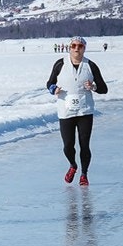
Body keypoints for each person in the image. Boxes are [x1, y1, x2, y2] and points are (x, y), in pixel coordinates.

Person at [46, 36, 108, 186]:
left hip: (84, 112)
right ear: (69, 48)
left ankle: (84, 174)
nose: (76, 49)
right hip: (66, 111)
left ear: (84, 48)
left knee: (84, 144)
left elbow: (104, 88)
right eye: (73, 46)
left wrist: (93, 87)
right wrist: (54, 89)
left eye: (80, 46)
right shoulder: (60, 64)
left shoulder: (90, 66)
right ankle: (73, 165)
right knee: (68, 145)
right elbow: (50, 83)